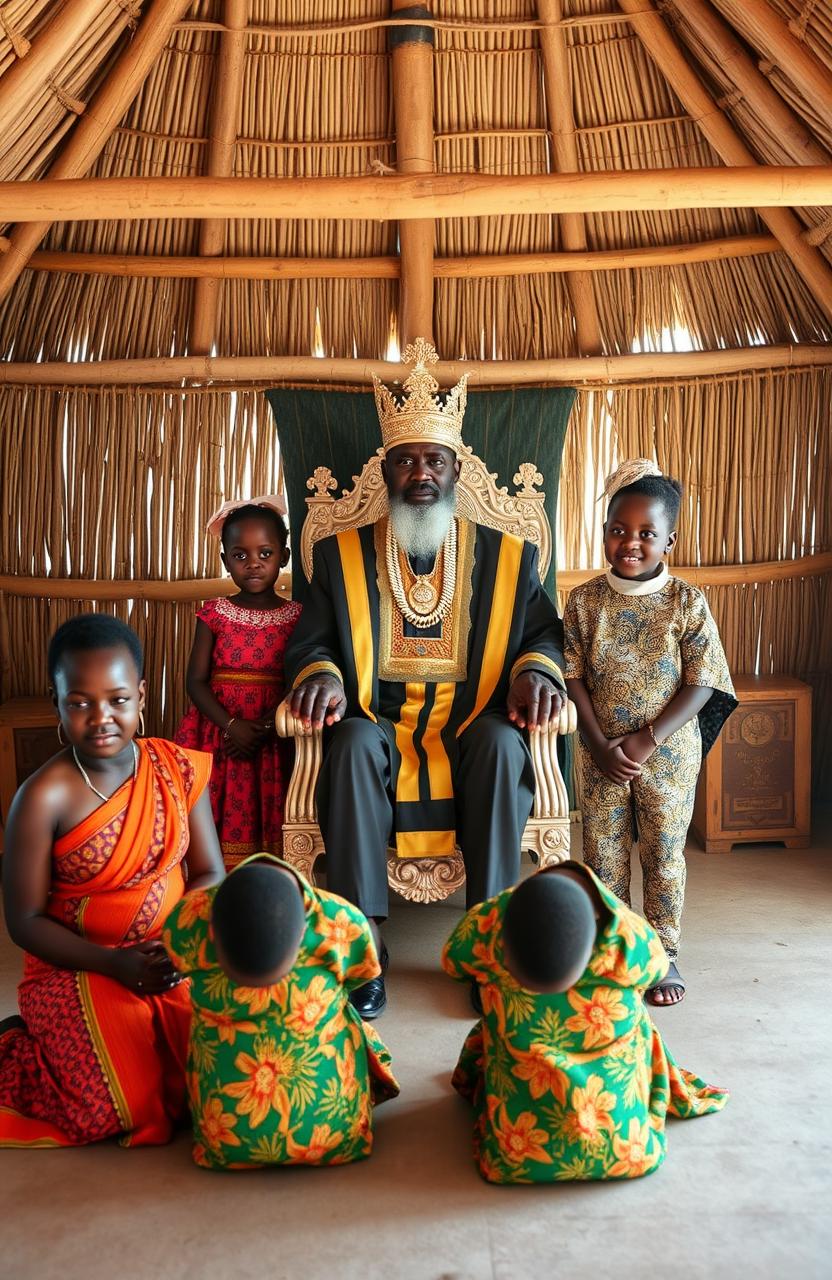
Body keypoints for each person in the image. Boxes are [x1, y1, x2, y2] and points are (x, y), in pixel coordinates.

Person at [284, 339, 566, 1018]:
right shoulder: (339, 554)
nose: (420, 474)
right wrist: (319, 674)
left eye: (433, 461)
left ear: (455, 469)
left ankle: (489, 943)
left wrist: (535, 672)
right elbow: (311, 640)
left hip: (472, 721)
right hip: (377, 722)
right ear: (385, 469)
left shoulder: (506, 556)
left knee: (503, 746)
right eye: (405, 461)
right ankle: (363, 949)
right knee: (348, 745)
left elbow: (541, 633)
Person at [0, 614, 224, 1148]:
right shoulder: (41, 797)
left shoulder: (174, 769)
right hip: (80, 965)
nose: (101, 717)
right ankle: (16, 1046)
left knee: (222, 1077)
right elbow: (23, 921)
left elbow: (210, 870)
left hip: (173, 955)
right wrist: (113, 962)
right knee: (114, 1106)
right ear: (58, 704)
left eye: (118, 699)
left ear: (141, 697)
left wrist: (177, 942)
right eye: (79, 703)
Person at [563, 460, 737, 1007]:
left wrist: (648, 738)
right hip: (599, 754)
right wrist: (596, 743)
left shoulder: (685, 601)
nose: (630, 543)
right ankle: (614, 951)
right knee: (604, 854)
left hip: (665, 755)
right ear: (605, 532)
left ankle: (662, 955)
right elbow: (571, 674)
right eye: (618, 529)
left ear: (670, 541)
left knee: (663, 852)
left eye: (646, 533)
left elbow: (704, 681)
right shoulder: (586, 601)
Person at [442, 861, 728, 1184]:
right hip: (632, 1153)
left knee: (495, 1017)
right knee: (640, 1022)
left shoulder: (487, 922)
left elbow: (453, 962)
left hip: (511, 1156)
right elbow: (659, 970)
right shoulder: (631, 937)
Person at [162, 854, 399, 1170]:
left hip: (223, 1139)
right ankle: (344, 1133)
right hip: (335, 1135)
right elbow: (363, 973)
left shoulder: (187, 919)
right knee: (350, 1018)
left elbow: (177, 957)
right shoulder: (341, 922)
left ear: (302, 933)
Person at [176, 496, 301, 870]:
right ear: (225, 560)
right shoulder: (213, 613)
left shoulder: (297, 617)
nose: (254, 564)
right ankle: (211, 879)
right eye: (240, 555)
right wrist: (232, 727)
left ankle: (264, 883)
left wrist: (261, 729)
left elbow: (296, 681)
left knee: (264, 808)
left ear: (284, 555)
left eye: (265, 552)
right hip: (217, 734)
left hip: (270, 736)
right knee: (214, 804)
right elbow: (195, 682)